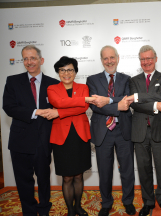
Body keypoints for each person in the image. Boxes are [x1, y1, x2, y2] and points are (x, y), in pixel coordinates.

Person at [2, 45, 59, 216]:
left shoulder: (54, 83)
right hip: (20, 141)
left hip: (44, 141)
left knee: (43, 180)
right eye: (25, 59)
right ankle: (29, 211)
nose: (29, 62)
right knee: (23, 181)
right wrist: (36, 112)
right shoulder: (13, 81)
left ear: (41, 60)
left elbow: (60, 110)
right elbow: (9, 107)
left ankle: (44, 209)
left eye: (32, 58)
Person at [86, 45, 135, 216]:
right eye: (105, 58)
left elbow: (126, 102)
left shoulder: (127, 79)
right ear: (101, 60)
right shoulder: (92, 80)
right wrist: (116, 105)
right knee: (104, 171)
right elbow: (96, 106)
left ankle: (128, 201)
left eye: (112, 57)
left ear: (118, 58)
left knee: (127, 171)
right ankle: (106, 203)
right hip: (103, 132)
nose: (109, 61)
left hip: (124, 131)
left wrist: (107, 100)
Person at [126, 45, 161, 216]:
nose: (146, 62)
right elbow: (134, 104)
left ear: (156, 59)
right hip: (139, 131)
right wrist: (154, 104)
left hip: (159, 130)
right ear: (140, 61)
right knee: (144, 169)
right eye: (143, 59)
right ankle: (148, 202)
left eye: (149, 58)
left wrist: (139, 97)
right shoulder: (133, 80)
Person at [46, 56, 95, 216]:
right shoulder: (52, 89)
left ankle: (79, 207)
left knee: (79, 175)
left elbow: (83, 108)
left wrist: (58, 113)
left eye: (70, 69)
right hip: (61, 138)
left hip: (79, 136)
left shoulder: (83, 87)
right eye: (62, 70)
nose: (66, 73)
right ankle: (70, 210)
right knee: (67, 177)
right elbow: (59, 102)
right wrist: (78, 102)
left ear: (75, 72)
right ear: (58, 72)